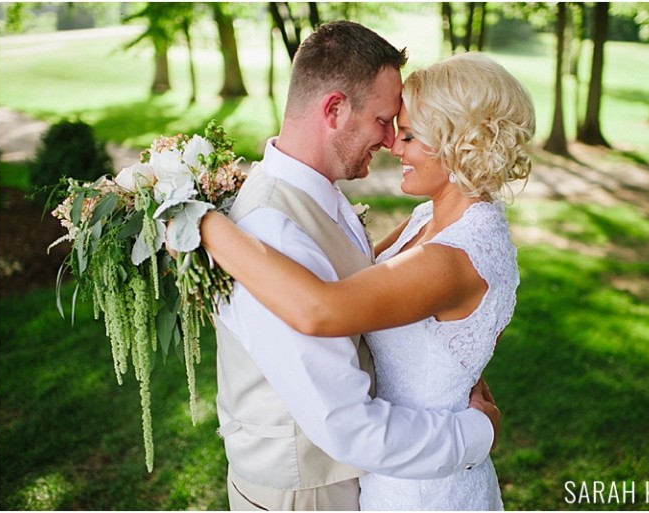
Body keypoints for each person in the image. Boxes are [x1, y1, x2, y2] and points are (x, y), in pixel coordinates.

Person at [199, 51, 535, 510]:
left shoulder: (451, 258)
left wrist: (202, 224)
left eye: (411, 135)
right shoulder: (427, 220)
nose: (395, 147)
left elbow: (324, 307)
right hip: (392, 468)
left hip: (423, 485)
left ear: (460, 144)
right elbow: (357, 279)